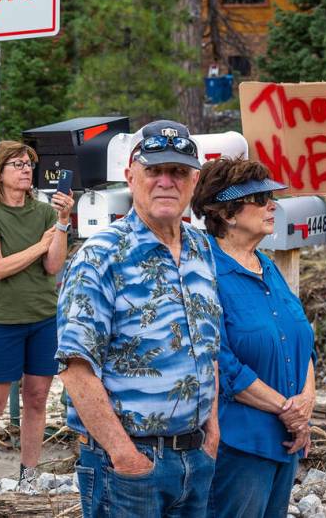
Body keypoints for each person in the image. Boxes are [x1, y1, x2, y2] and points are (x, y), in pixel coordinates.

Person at [56, 119, 221, 518]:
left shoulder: (202, 249)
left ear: (194, 182)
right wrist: (124, 455)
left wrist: (212, 431)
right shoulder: (101, 256)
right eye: (154, 170)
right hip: (129, 469)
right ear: (131, 176)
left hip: (195, 459)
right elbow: (76, 370)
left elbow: (207, 347)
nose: (167, 181)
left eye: (179, 172)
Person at [190, 157, 316, 518]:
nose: (272, 205)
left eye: (271, 197)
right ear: (228, 213)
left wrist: (305, 404)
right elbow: (222, 363)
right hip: (240, 444)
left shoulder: (268, 266)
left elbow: (302, 340)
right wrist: (288, 410)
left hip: (287, 440)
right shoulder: (206, 273)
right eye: (260, 199)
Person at [0, 141, 74, 496]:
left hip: (42, 317)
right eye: (17, 164)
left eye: (28, 164)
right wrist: (41, 245)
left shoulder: (44, 213)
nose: (26, 169)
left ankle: (29, 475)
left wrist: (63, 223)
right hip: (2, 321)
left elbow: (54, 266)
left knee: (37, 398)